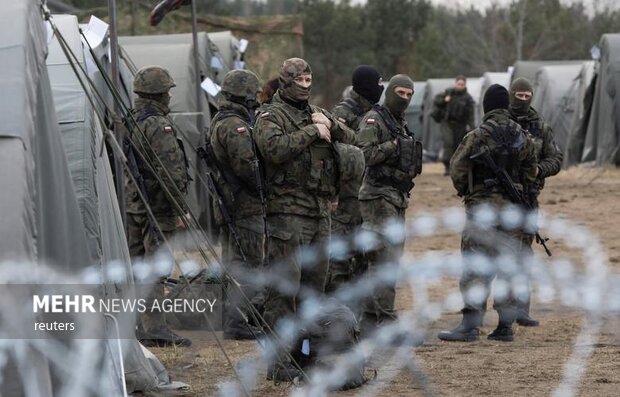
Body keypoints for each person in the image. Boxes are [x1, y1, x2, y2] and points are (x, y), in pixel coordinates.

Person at [253, 57, 356, 381]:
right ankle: (279, 361)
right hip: (286, 215)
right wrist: (313, 131)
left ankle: (304, 354)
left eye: (308, 79)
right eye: (299, 80)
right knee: (284, 292)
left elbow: (351, 139)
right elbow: (274, 149)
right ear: (286, 82)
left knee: (313, 291)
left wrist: (330, 126)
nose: (304, 85)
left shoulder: (317, 112)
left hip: (319, 212)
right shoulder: (272, 115)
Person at [437, 84, 538, 343]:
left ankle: (470, 326)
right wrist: (519, 191)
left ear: (486, 106)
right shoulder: (522, 135)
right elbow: (531, 171)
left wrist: (470, 194)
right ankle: (504, 326)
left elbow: (457, 167)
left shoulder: (478, 135)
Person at [124, 65, 191, 347]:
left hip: (134, 204)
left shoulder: (132, 119)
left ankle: (141, 324)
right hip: (157, 207)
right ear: (160, 93)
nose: (169, 97)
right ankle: (154, 328)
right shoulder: (158, 125)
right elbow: (170, 171)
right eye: (167, 92)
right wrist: (180, 208)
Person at [356, 74, 422, 337]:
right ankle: (386, 320)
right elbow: (364, 154)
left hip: (396, 198)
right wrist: (394, 146)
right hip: (378, 197)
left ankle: (372, 319)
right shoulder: (374, 120)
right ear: (390, 92)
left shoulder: (399, 122)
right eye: (400, 93)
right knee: (384, 261)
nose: (404, 99)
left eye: (409, 95)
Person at [208, 69, 265, 340]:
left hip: (233, 204)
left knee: (234, 263)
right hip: (244, 205)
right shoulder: (234, 125)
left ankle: (236, 318)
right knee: (248, 262)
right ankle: (238, 321)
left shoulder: (223, 119)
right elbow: (247, 166)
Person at [508, 77, 563, 327]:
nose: (523, 100)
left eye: (526, 96)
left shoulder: (540, 126)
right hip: (502, 197)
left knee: (523, 254)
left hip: (529, 198)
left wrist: (538, 170)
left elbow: (556, 158)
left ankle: (521, 308)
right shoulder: (500, 121)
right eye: (518, 95)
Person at [433, 75, 476, 175]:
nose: (460, 86)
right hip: (447, 123)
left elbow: (471, 115)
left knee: (458, 145)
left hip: (460, 124)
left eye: (462, 84)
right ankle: (447, 166)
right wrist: (445, 100)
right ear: (455, 83)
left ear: (465, 85)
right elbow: (436, 100)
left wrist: (472, 127)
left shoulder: (468, 98)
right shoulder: (448, 92)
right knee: (448, 143)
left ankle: (455, 167)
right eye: (458, 84)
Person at [332, 65, 384, 130]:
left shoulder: (371, 108)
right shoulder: (343, 112)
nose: (381, 87)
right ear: (368, 85)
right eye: (379, 83)